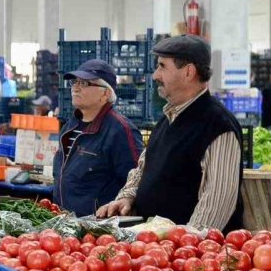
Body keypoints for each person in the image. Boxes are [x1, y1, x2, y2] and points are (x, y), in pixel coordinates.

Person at [97, 35, 244, 232]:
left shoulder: (218, 125)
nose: (155, 75)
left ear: (189, 72)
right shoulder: (168, 118)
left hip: (189, 256)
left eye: (162, 66)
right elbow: (143, 168)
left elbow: (218, 200)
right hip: (155, 248)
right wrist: (127, 196)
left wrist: (185, 245)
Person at [52, 60, 142, 216]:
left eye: (85, 83)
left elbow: (135, 182)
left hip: (99, 229)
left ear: (105, 93)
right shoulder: (69, 127)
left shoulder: (121, 130)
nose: (76, 88)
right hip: (65, 224)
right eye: (75, 82)